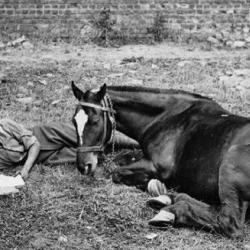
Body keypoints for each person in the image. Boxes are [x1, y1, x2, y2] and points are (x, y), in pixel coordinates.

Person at [0, 119, 139, 179]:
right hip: (45, 158)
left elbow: (34, 144)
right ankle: (132, 156)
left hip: (46, 135)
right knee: (92, 156)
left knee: (90, 138)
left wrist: (25, 170)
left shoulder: (5, 125)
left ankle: (140, 141)